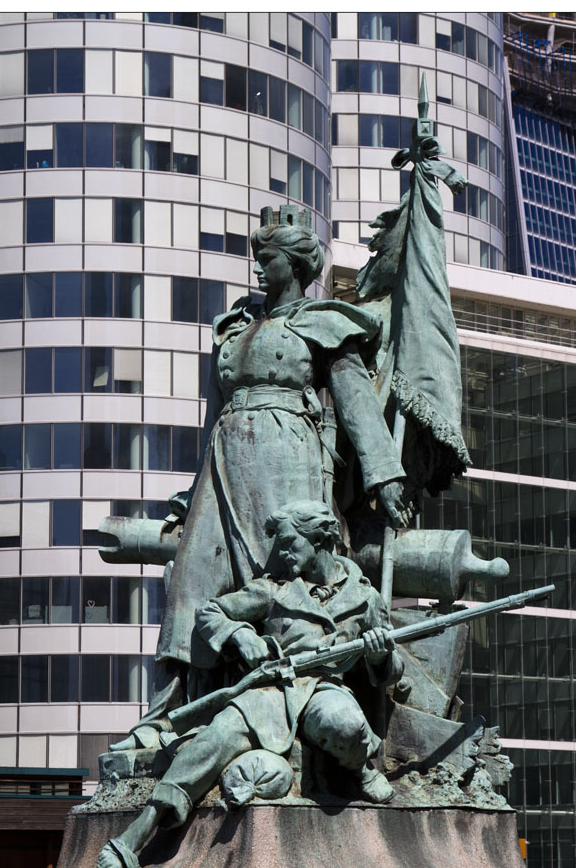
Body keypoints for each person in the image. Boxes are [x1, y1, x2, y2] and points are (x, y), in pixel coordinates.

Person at [112, 206, 412, 750]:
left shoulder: (323, 322)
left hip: (288, 462)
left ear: (294, 264)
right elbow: (212, 417)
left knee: (279, 587)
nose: (257, 268)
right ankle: (166, 714)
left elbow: (357, 405)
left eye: (266, 258)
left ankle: (291, 715)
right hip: (224, 464)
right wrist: (188, 493)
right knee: (189, 581)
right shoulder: (234, 328)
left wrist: (384, 477)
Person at [97, 501, 404, 868]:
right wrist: (240, 634)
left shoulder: (365, 596)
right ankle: (136, 834)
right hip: (269, 692)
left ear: (321, 540)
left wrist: (379, 655)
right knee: (214, 740)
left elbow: (393, 671)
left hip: (325, 687)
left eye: (290, 542)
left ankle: (360, 769)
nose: (281, 552)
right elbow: (211, 612)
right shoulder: (275, 589)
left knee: (343, 722)